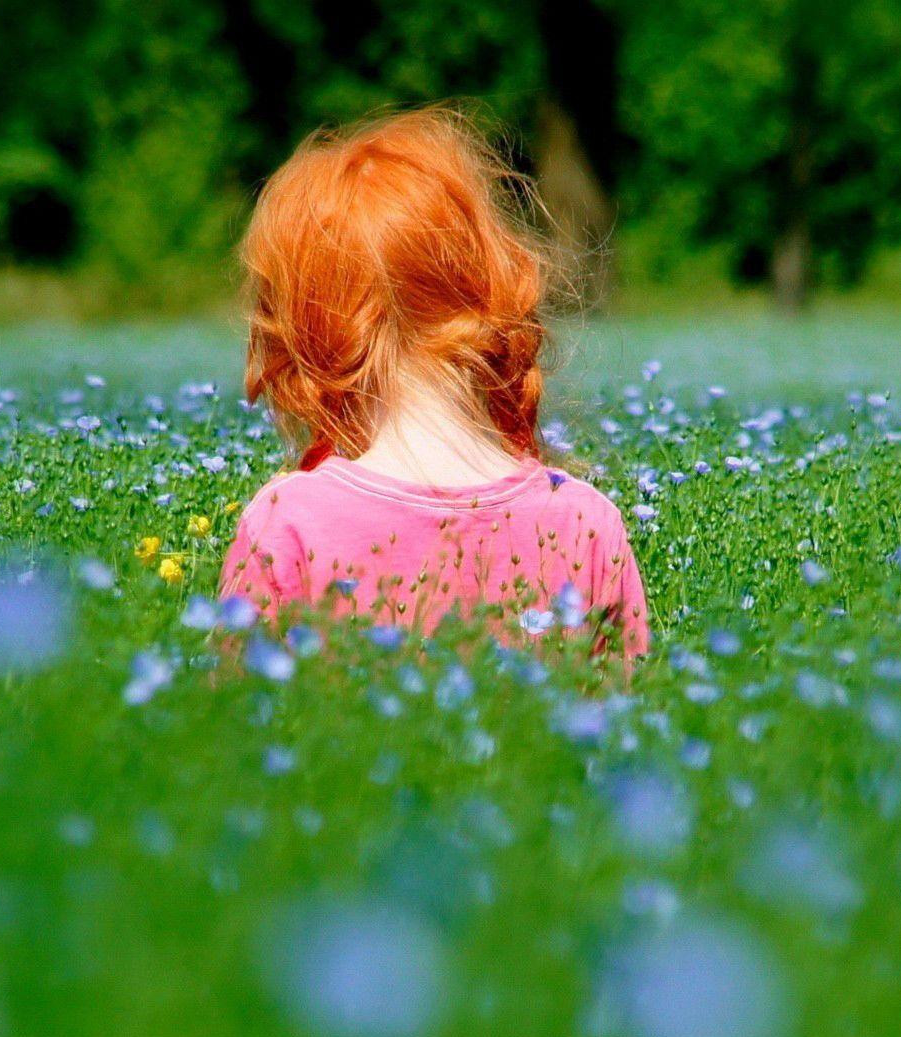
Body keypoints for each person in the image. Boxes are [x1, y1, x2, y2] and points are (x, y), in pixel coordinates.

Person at [218, 107, 649, 658]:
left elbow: (230, 728)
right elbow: (624, 730)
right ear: (492, 285)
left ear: (304, 336)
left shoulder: (289, 524)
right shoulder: (587, 526)